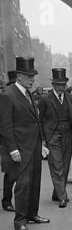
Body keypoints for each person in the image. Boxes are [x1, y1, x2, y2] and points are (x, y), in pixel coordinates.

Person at [0, 57, 50, 230]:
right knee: (23, 186)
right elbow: (5, 126)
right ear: (19, 76)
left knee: (35, 183)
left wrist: (42, 142)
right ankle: (19, 221)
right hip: (20, 149)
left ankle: (32, 214)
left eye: (33, 76)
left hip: (34, 147)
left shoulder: (27, 93)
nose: (32, 79)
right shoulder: (8, 94)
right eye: (29, 76)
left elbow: (36, 122)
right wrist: (12, 149)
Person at [38, 68, 72, 208]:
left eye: (63, 84)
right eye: (58, 84)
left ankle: (57, 192)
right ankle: (62, 197)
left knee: (65, 165)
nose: (61, 87)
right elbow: (40, 121)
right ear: (53, 85)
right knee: (57, 165)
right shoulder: (45, 99)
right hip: (52, 136)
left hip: (68, 135)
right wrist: (43, 140)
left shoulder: (70, 98)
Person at [1, 71, 18, 212]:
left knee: (20, 174)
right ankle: (6, 200)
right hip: (7, 142)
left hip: (20, 140)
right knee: (11, 174)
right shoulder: (6, 96)